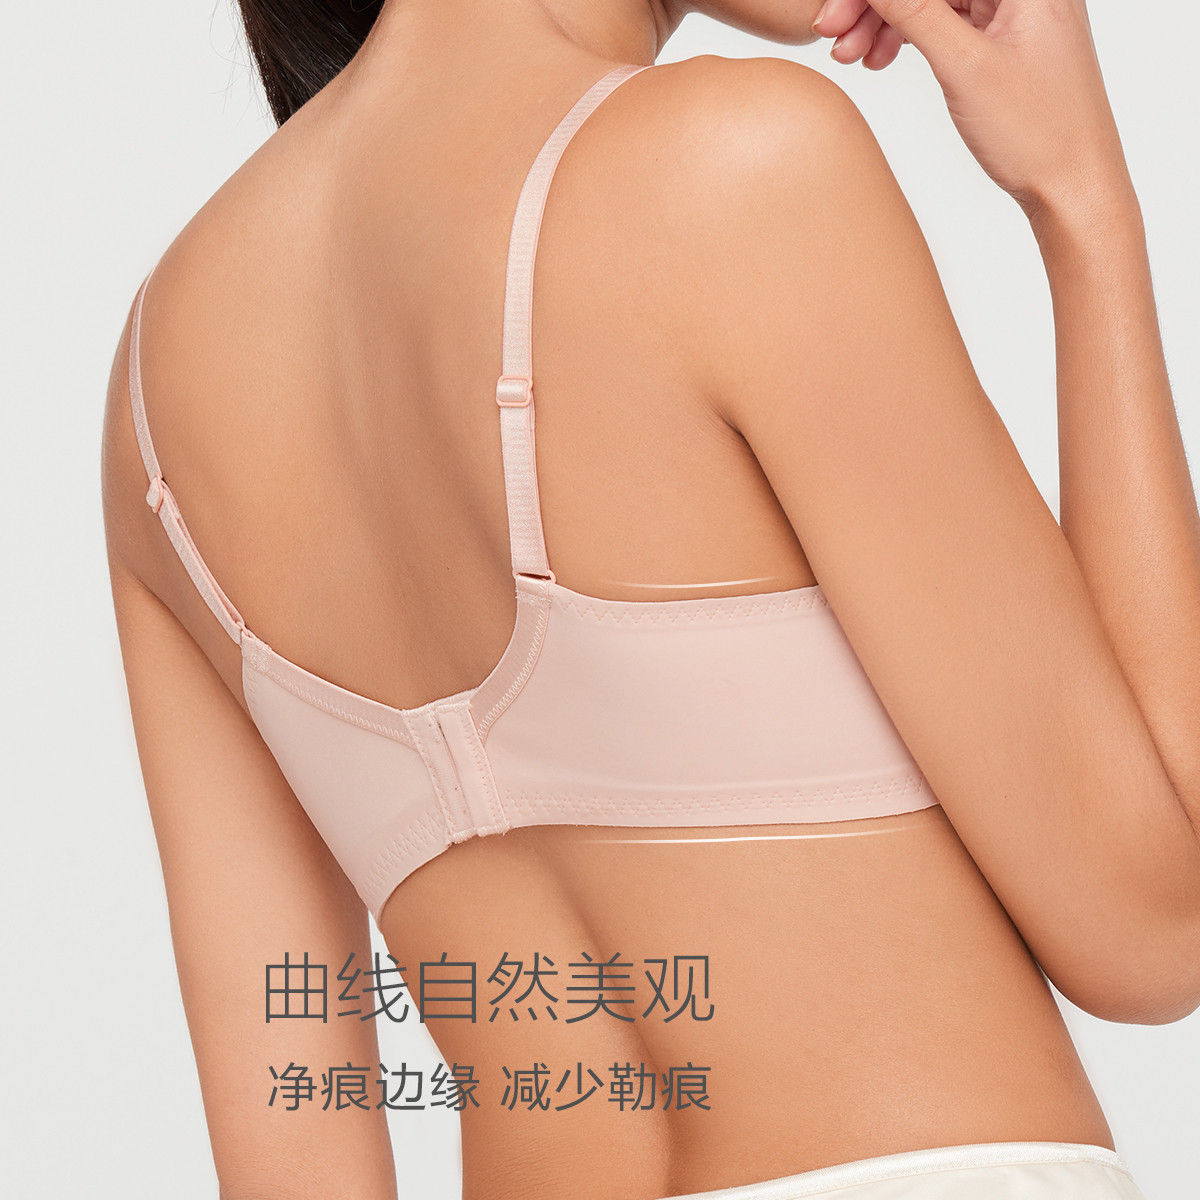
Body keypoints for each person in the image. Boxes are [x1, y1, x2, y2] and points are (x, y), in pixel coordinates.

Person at [100, 0, 1200, 1197]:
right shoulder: (736, 167)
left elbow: (293, 1162)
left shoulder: (157, 382)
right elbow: (1155, 932)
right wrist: (1083, 200)